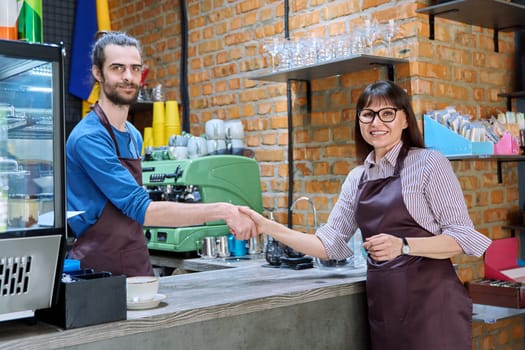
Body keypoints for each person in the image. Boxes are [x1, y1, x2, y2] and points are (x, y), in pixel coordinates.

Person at [239, 80, 492, 350]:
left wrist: (404, 245)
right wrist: (267, 226)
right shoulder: (357, 177)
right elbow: (329, 244)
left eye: (387, 113)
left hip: (433, 308)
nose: (376, 122)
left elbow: (461, 237)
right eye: (367, 114)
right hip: (386, 309)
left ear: (405, 119)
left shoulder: (429, 163)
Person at [66, 32, 256, 277]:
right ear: (98, 73)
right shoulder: (89, 138)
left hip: (135, 260)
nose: (128, 77)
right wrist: (223, 210)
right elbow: (141, 209)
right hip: (98, 270)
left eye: (135, 69)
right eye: (117, 68)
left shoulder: (133, 135)